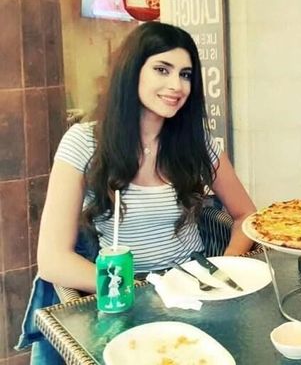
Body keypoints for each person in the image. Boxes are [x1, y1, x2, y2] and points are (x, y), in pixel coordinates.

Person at [25, 22, 256, 363]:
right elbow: (52, 259)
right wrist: (138, 290)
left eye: (186, 74)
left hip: (193, 289)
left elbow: (246, 215)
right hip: (124, 297)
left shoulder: (197, 142)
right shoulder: (84, 142)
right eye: (162, 69)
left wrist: (225, 267)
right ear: (132, 71)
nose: (176, 85)